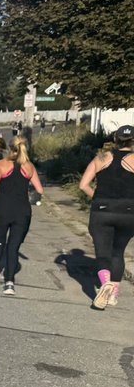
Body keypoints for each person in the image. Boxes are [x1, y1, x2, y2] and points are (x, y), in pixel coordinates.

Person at [78, 124, 134, 310]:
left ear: (115, 140)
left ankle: (105, 284)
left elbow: (84, 185)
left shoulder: (102, 157)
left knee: (102, 253)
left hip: (102, 209)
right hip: (129, 212)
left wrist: (99, 198)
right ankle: (113, 296)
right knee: (118, 252)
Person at [0, 137, 43, 296]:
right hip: (22, 211)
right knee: (13, 247)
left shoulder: (1, 165)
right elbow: (39, 189)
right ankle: (10, 283)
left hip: (3, 209)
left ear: (9, 148)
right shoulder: (29, 166)